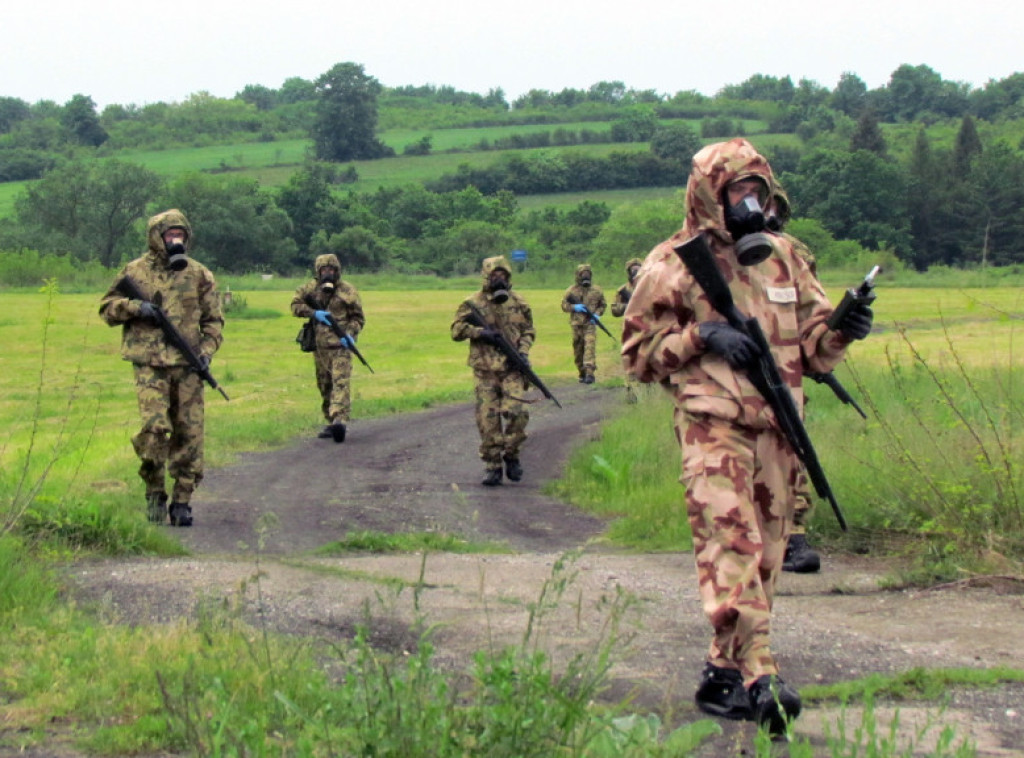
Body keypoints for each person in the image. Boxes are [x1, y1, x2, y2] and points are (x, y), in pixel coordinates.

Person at [621, 138, 873, 734]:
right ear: (710, 194)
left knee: (768, 557)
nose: (750, 202)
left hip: (778, 429)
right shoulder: (672, 264)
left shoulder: (783, 257)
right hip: (713, 428)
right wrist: (702, 337)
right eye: (738, 190)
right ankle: (762, 675)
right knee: (733, 547)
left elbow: (813, 348)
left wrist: (844, 328)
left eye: (757, 190)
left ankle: (720, 674)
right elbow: (637, 354)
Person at [99, 209, 224, 527]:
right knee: (154, 432)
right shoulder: (135, 271)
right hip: (150, 365)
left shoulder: (199, 275)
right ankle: (154, 493)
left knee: (189, 435)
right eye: (170, 235)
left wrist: (207, 352)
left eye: (181, 235)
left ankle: (182, 500)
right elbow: (107, 309)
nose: (176, 240)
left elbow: (213, 322)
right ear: (157, 237)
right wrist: (135, 307)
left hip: (188, 367)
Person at [768, 188, 823, 574]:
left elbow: (813, 311)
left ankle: (794, 536)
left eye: (769, 203)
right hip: (732, 369)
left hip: (786, 367)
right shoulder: (718, 250)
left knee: (793, 447)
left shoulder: (795, 254)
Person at [451, 256, 536, 487]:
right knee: (487, 421)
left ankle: (512, 453)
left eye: (503, 275)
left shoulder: (519, 302)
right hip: (484, 371)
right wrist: (481, 333)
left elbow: (529, 331)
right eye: (494, 275)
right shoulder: (472, 304)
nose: (499, 279)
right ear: (486, 276)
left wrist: (524, 351)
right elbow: (456, 331)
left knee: (517, 412)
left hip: (512, 369)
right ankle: (493, 466)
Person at [290, 253, 365, 443]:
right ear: (318, 271)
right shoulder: (310, 289)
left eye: (331, 270)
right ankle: (331, 421)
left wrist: (350, 334)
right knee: (325, 386)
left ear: (337, 271)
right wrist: (314, 313)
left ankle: (339, 419)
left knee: (340, 383)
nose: (328, 273)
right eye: (324, 270)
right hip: (319, 348)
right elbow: (295, 305)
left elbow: (358, 318)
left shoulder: (348, 291)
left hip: (341, 347)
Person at [560, 263, 607, 384]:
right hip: (576, 325)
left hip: (590, 324)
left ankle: (590, 372)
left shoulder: (597, 290)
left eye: (588, 274)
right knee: (578, 349)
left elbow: (603, 305)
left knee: (589, 346)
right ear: (578, 275)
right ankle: (582, 372)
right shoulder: (571, 291)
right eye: (583, 274)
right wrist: (574, 307)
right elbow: (564, 305)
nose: (585, 276)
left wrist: (597, 314)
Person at [610, 257, 644, 403]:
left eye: (638, 269)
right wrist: (628, 306)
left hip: (647, 329)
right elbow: (614, 310)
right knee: (629, 361)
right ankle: (631, 393)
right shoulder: (623, 291)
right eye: (633, 270)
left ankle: (649, 389)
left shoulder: (648, 286)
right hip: (629, 331)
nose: (635, 272)